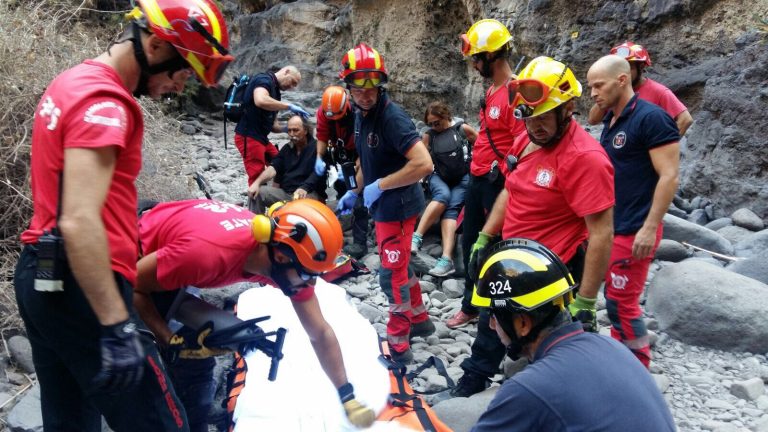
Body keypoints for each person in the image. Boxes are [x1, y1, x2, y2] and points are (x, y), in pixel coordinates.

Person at [13, 0, 233, 430]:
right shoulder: (106, 103)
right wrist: (116, 324)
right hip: (85, 291)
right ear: (154, 46)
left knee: (71, 423)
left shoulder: (73, 80)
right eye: (183, 69)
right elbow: (78, 219)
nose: (182, 84)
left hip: (42, 276)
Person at [134, 199, 376, 430]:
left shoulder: (281, 255)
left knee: (209, 347)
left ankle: (191, 413)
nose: (308, 284)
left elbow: (320, 332)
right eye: (306, 275)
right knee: (151, 372)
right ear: (280, 257)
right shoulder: (207, 254)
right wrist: (167, 339)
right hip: (131, 254)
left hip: (171, 252)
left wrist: (347, 394)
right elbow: (135, 285)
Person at [451, 57, 615, 397]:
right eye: (528, 117)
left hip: (553, 270)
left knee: (551, 346)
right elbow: (511, 192)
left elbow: (601, 232)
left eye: (543, 117)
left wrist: (585, 299)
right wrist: (485, 235)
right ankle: (474, 380)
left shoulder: (585, 158)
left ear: (567, 109)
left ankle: (557, 399)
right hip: (513, 258)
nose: (535, 125)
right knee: (491, 322)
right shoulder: (526, 142)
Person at [469, 239, 676, 431]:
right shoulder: (611, 347)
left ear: (523, 323)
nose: (491, 323)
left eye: (494, 316)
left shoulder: (529, 389)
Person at [335, 43, 435, 363]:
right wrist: (357, 189)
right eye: (358, 85)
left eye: (372, 83)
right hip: (385, 205)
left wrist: (380, 186)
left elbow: (424, 164)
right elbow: (366, 158)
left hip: (399, 207)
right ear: (348, 86)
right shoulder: (360, 114)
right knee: (400, 264)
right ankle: (420, 320)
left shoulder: (392, 118)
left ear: (381, 82)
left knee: (390, 274)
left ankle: (399, 341)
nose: (366, 92)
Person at [587, 55, 680, 368]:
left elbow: (669, 175)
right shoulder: (614, 120)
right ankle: (620, 360)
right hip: (614, 224)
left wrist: (650, 227)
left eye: (598, 86)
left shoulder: (651, 118)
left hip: (636, 227)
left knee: (621, 302)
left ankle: (638, 366)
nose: (593, 93)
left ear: (622, 80)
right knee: (614, 299)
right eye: (590, 87)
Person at [448, 19, 527, 329]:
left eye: (476, 58)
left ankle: (495, 309)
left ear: (491, 56)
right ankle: (471, 304)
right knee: (470, 243)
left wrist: (503, 172)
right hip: (478, 177)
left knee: (494, 247)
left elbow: (521, 141)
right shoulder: (492, 89)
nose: (474, 64)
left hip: (497, 182)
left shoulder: (513, 92)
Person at [411, 101, 478, 277]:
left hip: (462, 177)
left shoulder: (463, 129)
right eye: (430, 124)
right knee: (443, 195)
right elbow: (421, 159)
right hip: (438, 176)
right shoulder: (429, 136)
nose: (434, 126)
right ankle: (416, 238)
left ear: (446, 117)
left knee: (452, 210)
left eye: (437, 123)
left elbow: (482, 147)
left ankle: (446, 259)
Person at [587, 42, 693, 136]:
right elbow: (593, 120)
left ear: (641, 67)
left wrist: (664, 147)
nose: (622, 73)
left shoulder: (658, 91)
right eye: (617, 69)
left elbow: (685, 119)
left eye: (628, 67)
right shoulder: (614, 91)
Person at [234, 65, 310, 193]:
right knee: (257, 176)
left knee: (280, 163)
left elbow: (273, 126)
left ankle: (278, 198)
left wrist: (286, 129)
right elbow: (260, 100)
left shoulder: (276, 93)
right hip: (249, 136)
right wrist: (289, 106)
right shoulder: (264, 80)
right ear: (286, 72)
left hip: (262, 138)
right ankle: (254, 210)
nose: (291, 87)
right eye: (292, 82)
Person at [314, 85, 370, 258]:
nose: (335, 120)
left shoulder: (360, 114)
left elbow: (367, 147)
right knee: (341, 184)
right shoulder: (324, 112)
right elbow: (322, 136)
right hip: (340, 151)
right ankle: (346, 216)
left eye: (338, 116)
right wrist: (318, 157)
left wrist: (359, 165)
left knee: (358, 192)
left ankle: (360, 243)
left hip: (360, 152)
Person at [247, 115, 326, 214]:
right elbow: (273, 168)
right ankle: (254, 225)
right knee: (258, 193)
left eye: (296, 130)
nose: (292, 134)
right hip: (287, 194)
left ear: (305, 130)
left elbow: (318, 173)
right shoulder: (287, 149)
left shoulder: (317, 147)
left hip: (310, 194)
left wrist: (304, 187)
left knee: (299, 205)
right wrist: (257, 183)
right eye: (289, 131)